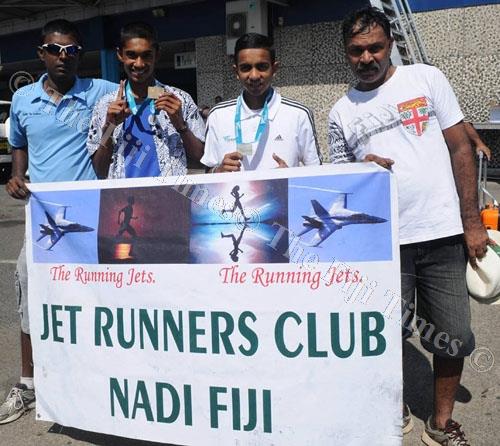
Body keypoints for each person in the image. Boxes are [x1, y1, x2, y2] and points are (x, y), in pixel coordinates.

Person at [328, 7, 490, 445]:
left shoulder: (426, 79)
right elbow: (339, 185)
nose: (367, 58)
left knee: (453, 335)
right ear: (346, 53)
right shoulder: (341, 111)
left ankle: (439, 425)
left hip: (441, 235)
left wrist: (471, 221)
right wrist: (361, 168)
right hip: (382, 243)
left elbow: (461, 149)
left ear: (390, 45)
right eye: (357, 51)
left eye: (375, 47)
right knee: (384, 335)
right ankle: (391, 411)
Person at [1, 19, 117, 425]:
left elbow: (143, 94)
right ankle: (28, 385)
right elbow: (19, 144)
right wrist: (18, 176)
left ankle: (95, 378)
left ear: (80, 54)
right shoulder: (22, 100)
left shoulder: (101, 91)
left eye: (71, 50)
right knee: (32, 298)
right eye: (54, 49)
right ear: (41, 53)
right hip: (44, 220)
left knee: (98, 301)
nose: (63, 57)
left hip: (91, 216)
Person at [87, 22, 205, 179]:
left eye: (146, 55)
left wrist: (180, 125)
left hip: (171, 200)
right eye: (131, 55)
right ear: (120, 54)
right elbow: (99, 171)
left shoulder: (179, 100)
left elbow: (202, 160)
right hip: (123, 200)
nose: (139, 63)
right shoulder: (105, 105)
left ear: (157, 54)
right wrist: (109, 128)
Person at [201, 33, 322, 172]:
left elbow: (317, 173)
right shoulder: (218, 115)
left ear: (274, 69)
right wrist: (218, 171)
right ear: (236, 71)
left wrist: (291, 178)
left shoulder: (299, 114)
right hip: (235, 194)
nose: (254, 76)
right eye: (246, 68)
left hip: (282, 194)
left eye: (262, 67)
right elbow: (208, 170)